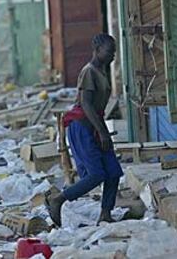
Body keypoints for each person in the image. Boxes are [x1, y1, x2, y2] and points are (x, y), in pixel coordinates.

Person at [46, 33, 123, 226]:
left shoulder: (103, 70)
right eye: (109, 51)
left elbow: (97, 110)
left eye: (114, 51)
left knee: (113, 171)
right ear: (97, 50)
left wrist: (103, 132)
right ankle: (59, 200)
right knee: (96, 174)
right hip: (81, 127)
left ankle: (105, 213)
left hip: (95, 125)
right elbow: (86, 105)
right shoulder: (89, 71)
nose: (113, 55)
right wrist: (103, 132)